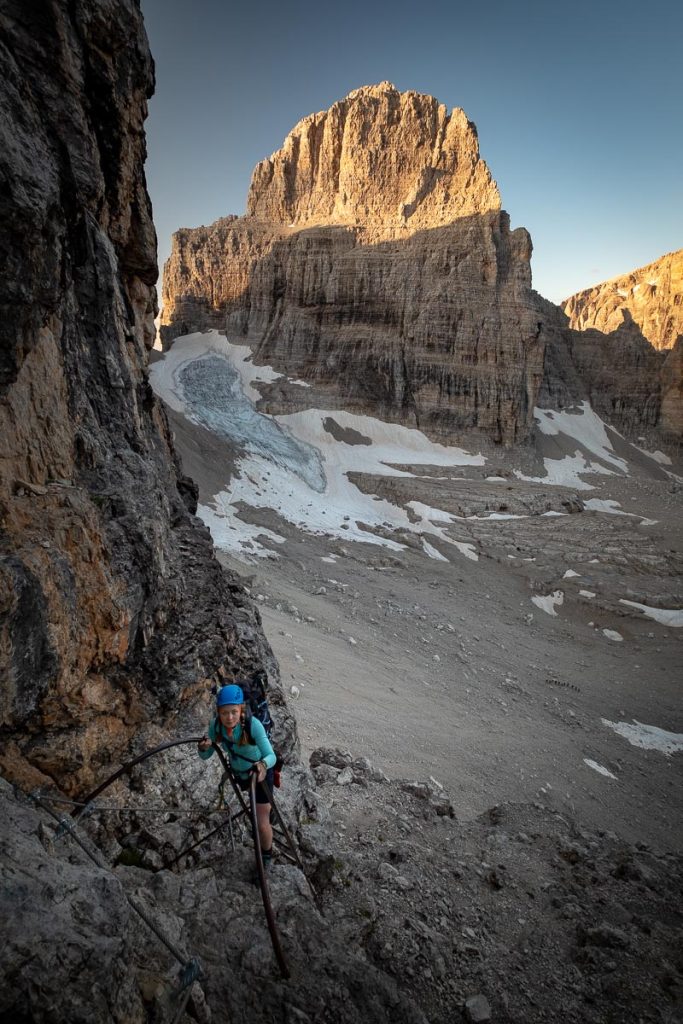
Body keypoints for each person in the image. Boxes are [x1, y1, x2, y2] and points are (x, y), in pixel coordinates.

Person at [197, 683, 277, 871]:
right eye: (224, 713)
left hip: (260, 776)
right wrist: (204, 747)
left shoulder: (253, 726)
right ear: (218, 712)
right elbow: (206, 756)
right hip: (242, 776)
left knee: (260, 822)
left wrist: (262, 765)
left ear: (241, 709)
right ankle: (267, 811)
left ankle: (266, 857)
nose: (229, 717)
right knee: (258, 815)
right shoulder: (216, 726)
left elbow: (271, 755)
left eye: (233, 712)